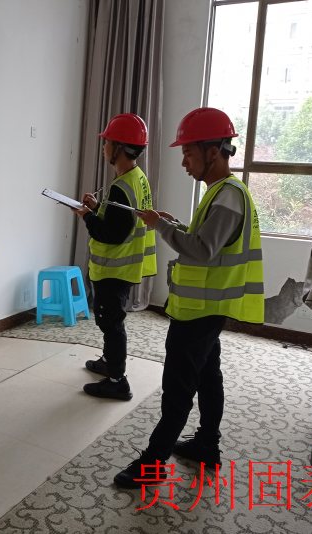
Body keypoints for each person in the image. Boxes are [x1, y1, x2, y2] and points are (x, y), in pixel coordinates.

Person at [113, 107, 264, 488]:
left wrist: (161, 226)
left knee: (177, 389)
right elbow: (207, 240)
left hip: (199, 312)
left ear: (213, 152)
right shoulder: (223, 193)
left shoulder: (228, 196)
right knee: (208, 376)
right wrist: (173, 223)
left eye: (188, 153)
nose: (184, 162)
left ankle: (152, 463)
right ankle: (207, 444)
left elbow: (201, 250)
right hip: (205, 308)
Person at [72, 114, 157, 401]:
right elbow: (121, 220)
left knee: (111, 323)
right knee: (110, 320)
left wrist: (87, 216)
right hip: (125, 266)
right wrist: (98, 208)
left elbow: (111, 234)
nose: (103, 147)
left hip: (114, 269)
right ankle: (109, 362)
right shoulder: (135, 178)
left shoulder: (122, 186)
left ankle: (118, 381)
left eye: (107, 142)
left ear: (119, 147)